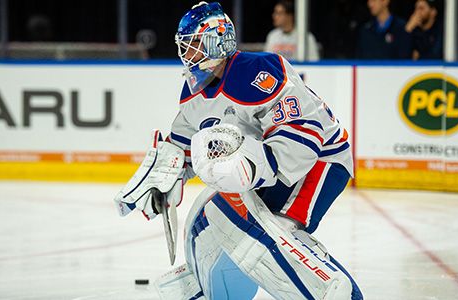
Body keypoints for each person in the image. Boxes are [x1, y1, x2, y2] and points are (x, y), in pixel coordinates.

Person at [113, 2, 363, 299]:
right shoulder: (193, 89)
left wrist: (251, 168)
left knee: (259, 231)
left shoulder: (259, 70)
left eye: (193, 44)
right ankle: (210, 284)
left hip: (319, 161)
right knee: (209, 219)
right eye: (185, 46)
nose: (187, 54)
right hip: (272, 172)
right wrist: (167, 176)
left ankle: (328, 289)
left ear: (217, 41)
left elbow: (304, 134)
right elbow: (183, 145)